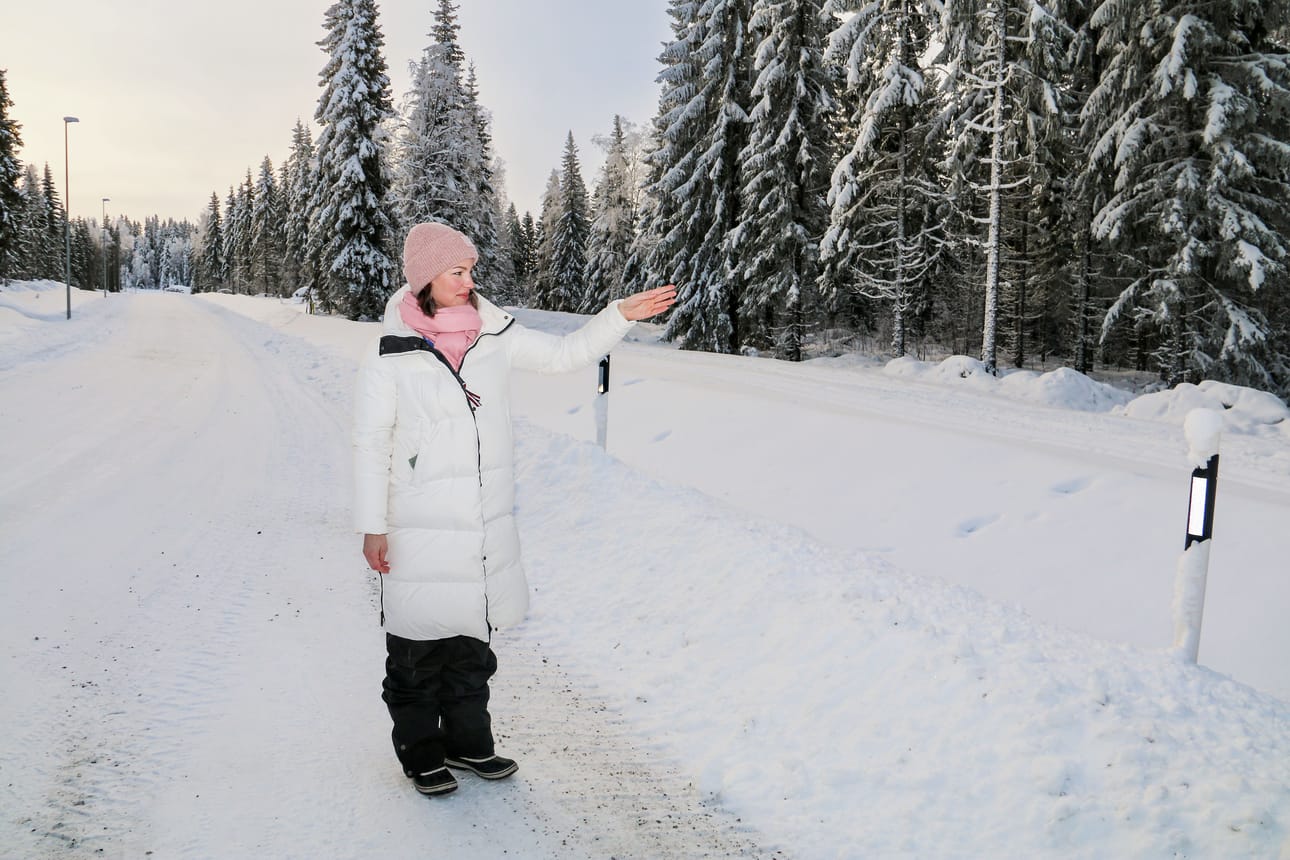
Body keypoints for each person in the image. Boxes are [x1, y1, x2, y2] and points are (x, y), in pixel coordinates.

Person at [352, 222, 676, 796]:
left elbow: (563, 354)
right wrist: (372, 526)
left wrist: (618, 316)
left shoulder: (494, 334)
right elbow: (371, 443)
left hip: (481, 522)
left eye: (471, 270)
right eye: (457, 271)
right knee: (416, 653)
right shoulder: (392, 353)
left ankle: (470, 747)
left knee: (472, 650)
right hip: (418, 524)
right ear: (427, 277)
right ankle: (422, 755)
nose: (468, 281)